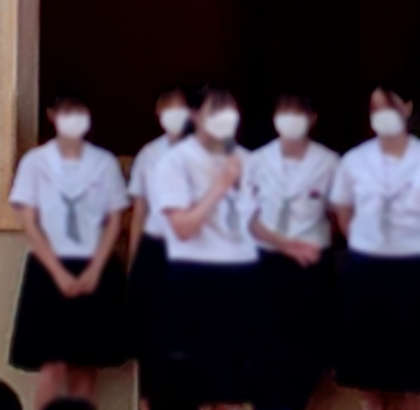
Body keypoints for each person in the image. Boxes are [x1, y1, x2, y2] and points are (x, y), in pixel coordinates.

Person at [8, 91, 129, 410]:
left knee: (86, 365)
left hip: (96, 267)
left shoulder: (103, 162)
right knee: (52, 366)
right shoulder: (35, 162)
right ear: (51, 115)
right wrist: (58, 273)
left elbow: (114, 221)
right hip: (48, 268)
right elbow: (29, 222)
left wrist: (94, 271)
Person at [154, 85, 259, 409]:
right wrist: (220, 186)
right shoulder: (175, 162)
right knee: (194, 388)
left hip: (241, 277)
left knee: (233, 388)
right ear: (196, 116)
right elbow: (182, 227)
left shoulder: (248, 161)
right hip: (193, 277)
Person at [330, 82, 420, 410]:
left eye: (390, 106)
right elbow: (343, 213)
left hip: (413, 266)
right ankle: (372, 403)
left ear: (407, 108)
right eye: (375, 108)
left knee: (411, 362)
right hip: (366, 267)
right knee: (367, 361)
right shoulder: (355, 160)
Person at [250, 93, 339, 410]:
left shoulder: (330, 162)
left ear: (312, 119)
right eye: (284, 111)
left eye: (298, 113)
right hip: (267, 258)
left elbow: (338, 214)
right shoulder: (255, 160)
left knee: (306, 338)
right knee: (265, 337)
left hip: (310, 261)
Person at [127, 86, 191, 410]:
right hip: (155, 256)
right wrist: (134, 263)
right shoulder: (148, 155)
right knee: (152, 342)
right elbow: (139, 213)